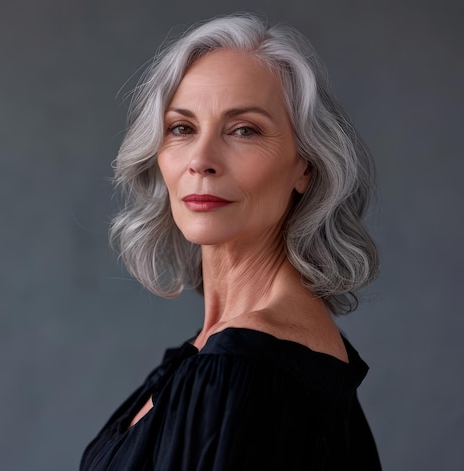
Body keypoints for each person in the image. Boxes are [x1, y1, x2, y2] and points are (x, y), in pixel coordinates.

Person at [80, 12, 381, 470]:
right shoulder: (222, 354)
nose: (201, 160)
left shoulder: (244, 370)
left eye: (244, 130)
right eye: (182, 128)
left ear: (306, 166)